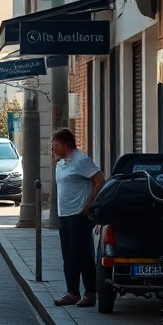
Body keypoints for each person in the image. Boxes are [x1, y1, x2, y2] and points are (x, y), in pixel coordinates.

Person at [51, 127, 105, 308]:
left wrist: (90, 203)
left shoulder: (81, 161)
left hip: (79, 214)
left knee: (81, 252)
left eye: (55, 144)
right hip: (65, 215)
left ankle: (90, 293)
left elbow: (99, 179)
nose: (53, 147)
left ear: (66, 144)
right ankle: (71, 292)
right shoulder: (61, 163)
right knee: (68, 254)